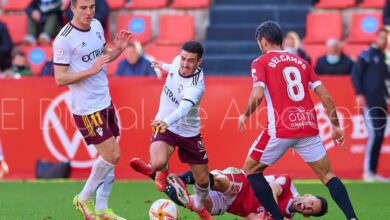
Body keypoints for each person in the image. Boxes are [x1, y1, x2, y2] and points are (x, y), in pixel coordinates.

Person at [238, 21, 357, 220]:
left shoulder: (261, 62)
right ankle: (353, 218)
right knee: (328, 176)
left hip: (281, 128)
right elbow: (326, 97)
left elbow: (257, 95)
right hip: (308, 128)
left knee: (250, 170)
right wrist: (335, 126)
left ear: (263, 41)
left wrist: (245, 114)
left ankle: (276, 217)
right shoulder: (302, 62)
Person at [53, 0, 132, 219]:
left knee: (108, 159)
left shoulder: (97, 25)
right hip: (87, 109)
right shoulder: (64, 39)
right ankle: (84, 198)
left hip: (104, 101)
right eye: (83, 8)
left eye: (92, 7)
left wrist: (118, 50)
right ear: (73, 8)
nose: (89, 12)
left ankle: (102, 209)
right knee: (113, 154)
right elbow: (60, 78)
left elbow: (103, 58)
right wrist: (90, 70)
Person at [130, 158, 328, 220]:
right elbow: (273, 190)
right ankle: (177, 180)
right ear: (308, 195)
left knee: (192, 202)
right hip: (241, 185)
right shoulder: (288, 183)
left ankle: (154, 175)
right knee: (218, 181)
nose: (307, 206)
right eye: (311, 202)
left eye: (310, 210)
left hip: (231, 205)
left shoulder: (285, 217)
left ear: (307, 216)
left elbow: (252, 217)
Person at [149, 40, 212, 220]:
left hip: (188, 132)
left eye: (190, 61)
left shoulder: (196, 86)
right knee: (157, 163)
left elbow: (183, 109)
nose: (185, 63)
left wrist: (166, 122)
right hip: (166, 126)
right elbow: (174, 67)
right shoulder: (178, 61)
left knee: (203, 180)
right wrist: (163, 66)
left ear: (199, 62)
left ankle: (199, 206)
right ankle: (163, 172)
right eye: (183, 58)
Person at [351, 28, 390, 182]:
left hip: (382, 102)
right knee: (374, 135)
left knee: (380, 136)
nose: (384, 40)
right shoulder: (366, 56)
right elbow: (356, 76)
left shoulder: (385, 59)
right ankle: (367, 172)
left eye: (386, 38)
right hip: (370, 101)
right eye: (382, 37)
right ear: (375, 38)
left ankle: (373, 171)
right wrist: (359, 93)